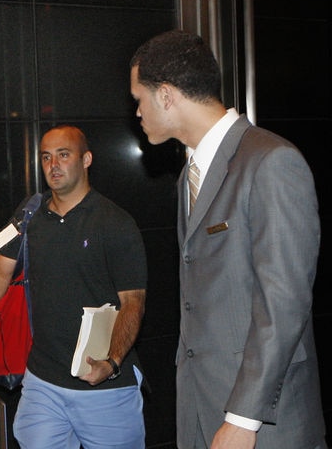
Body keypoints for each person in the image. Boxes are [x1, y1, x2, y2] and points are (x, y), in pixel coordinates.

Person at [130, 29, 326, 449]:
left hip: (260, 426)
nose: (138, 113)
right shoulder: (189, 176)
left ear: (166, 95)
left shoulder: (272, 162)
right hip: (201, 413)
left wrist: (243, 418)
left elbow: (284, 302)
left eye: (139, 99)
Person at [0, 125, 148, 449]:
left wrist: (111, 363)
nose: (53, 165)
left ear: (86, 159)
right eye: (46, 157)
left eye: (63, 155)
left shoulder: (115, 223)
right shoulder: (28, 218)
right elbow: (0, 273)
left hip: (103, 388)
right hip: (43, 382)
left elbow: (133, 302)